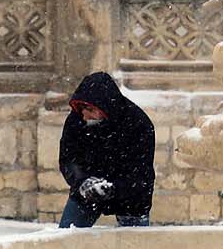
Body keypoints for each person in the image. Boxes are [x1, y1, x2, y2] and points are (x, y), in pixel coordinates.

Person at [58, 72, 156, 228]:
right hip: (87, 191)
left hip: (131, 198)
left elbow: (140, 175)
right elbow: (68, 159)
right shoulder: (76, 120)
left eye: (89, 109)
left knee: (135, 248)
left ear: (103, 108)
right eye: (82, 108)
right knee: (66, 240)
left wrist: (113, 189)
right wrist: (82, 181)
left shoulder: (138, 124)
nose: (84, 115)